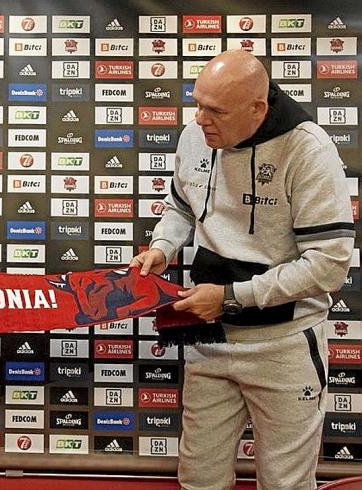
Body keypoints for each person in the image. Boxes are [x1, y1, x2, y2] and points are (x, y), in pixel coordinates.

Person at [130, 50, 354, 490]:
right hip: (208, 339)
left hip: (283, 347)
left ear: (258, 108)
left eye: (215, 110)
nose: (200, 119)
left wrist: (232, 297)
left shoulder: (307, 149)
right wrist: (163, 246)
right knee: (198, 479)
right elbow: (181, 205)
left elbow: (328, 266)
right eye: (197, 103)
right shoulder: (195, 135)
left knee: (285, 484)